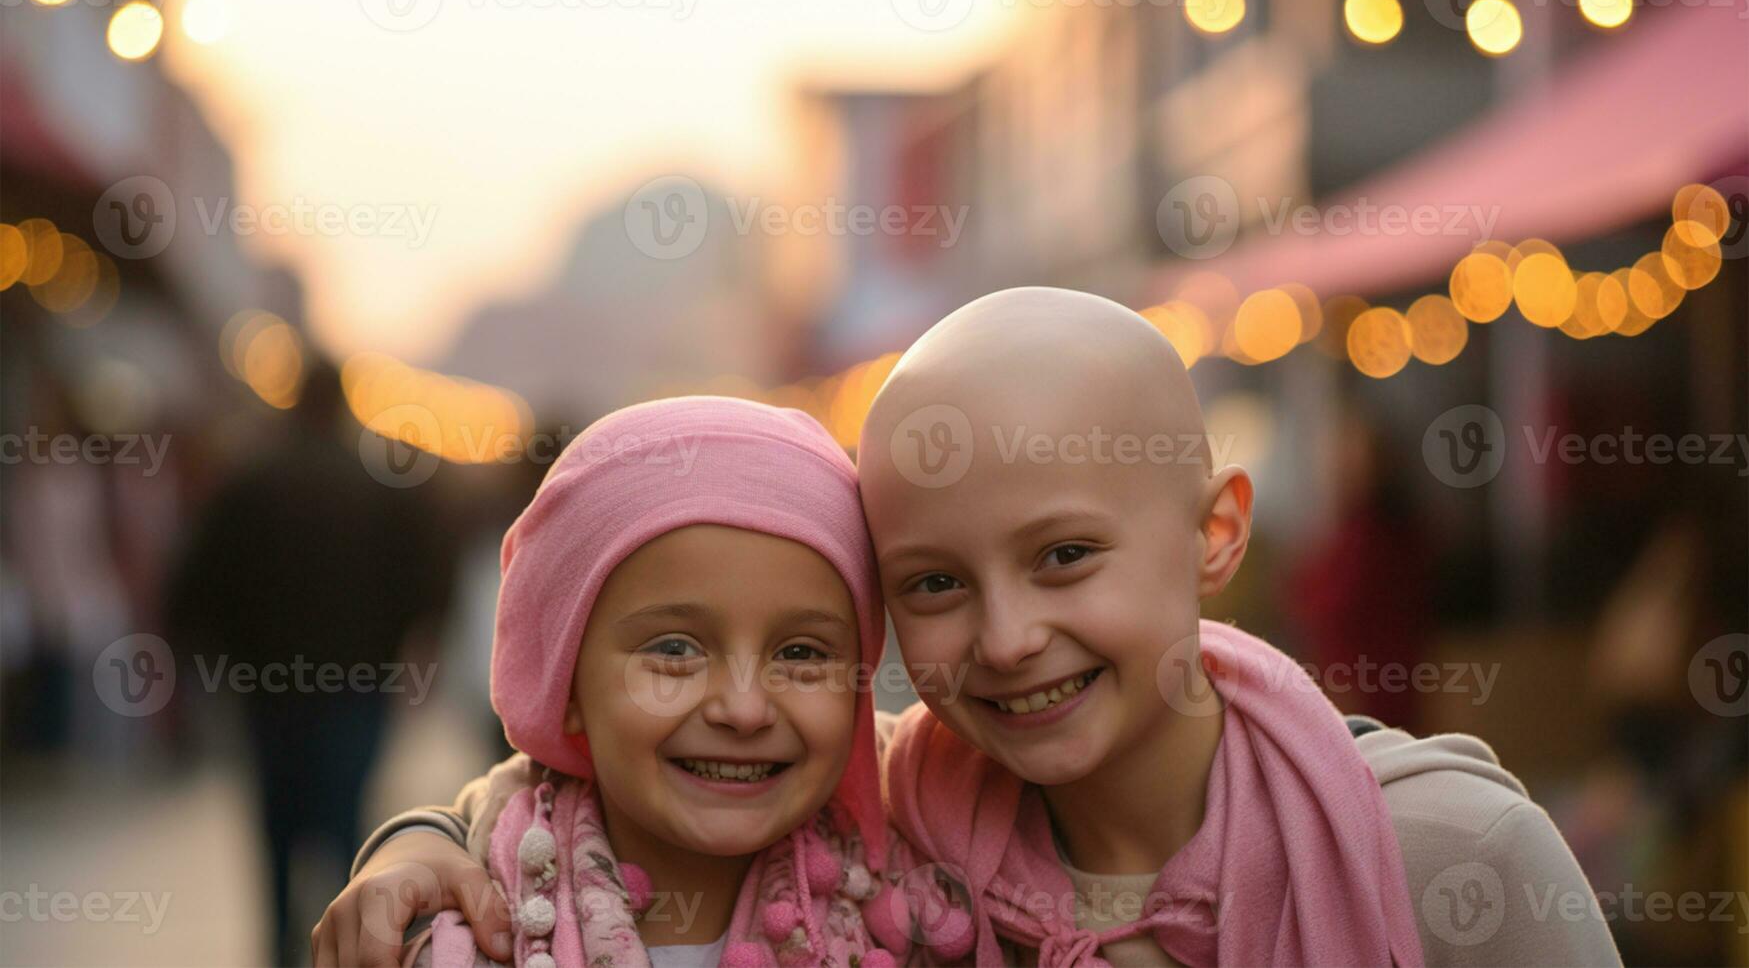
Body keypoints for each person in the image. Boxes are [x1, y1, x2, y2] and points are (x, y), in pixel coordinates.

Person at [325, 288, 1621, 966]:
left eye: (1064, 557)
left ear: (1217, 530)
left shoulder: (1448, 853)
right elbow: (581, 801)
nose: (1005, 640)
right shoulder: (902, 845)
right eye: (936, 584)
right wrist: (416, 844)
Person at [312, 397, 914, 967]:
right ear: (565, 683)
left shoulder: (932, 881)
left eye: (802, 653)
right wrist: (413, 841)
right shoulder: (460, 933)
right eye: (675, 649)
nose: (744, 708)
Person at [167, 360, 450, 968]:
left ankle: (278, 945)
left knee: (276, 825)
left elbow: (197, 582)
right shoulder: (381, 487)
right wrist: (404, 648)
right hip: (357, 684)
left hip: (270, 688)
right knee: (348, 825)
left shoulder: (250, 481)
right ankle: (349, 947)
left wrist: (217, 662)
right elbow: (429, 581)